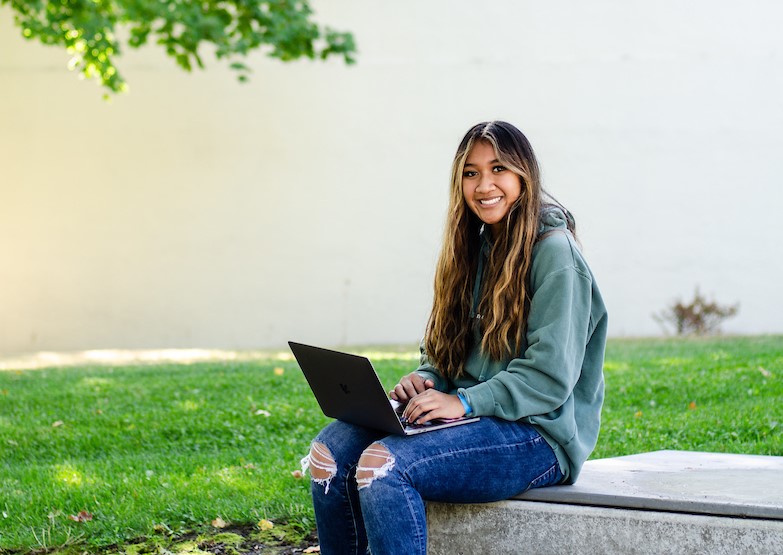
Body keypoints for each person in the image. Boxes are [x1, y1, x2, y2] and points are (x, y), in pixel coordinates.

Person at [300, 121, 608, 555]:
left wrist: (462, 402)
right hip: (472, 419)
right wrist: (428, 381)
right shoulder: (473, 246)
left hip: (538, 436)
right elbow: (448, 353)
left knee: (383, 466)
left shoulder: (556, 255)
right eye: (470, 172)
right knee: (329, 454)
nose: (484, 185)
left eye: (498, 169)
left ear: (524, 175)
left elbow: (549, 378)